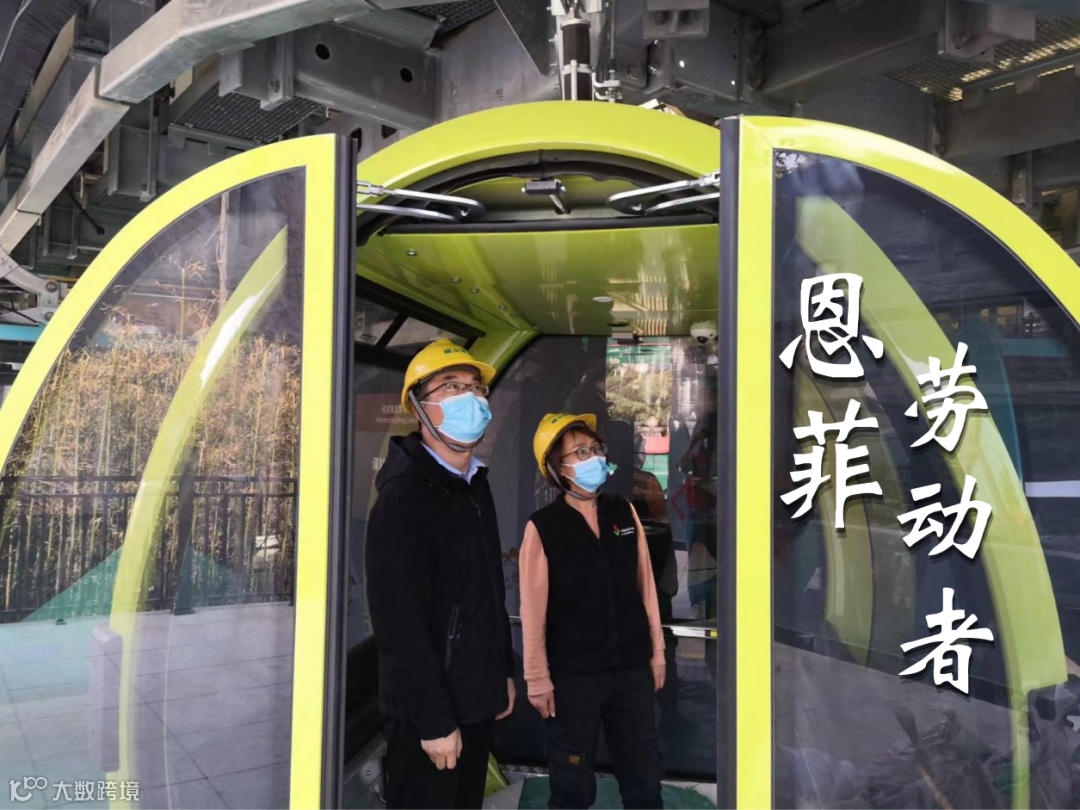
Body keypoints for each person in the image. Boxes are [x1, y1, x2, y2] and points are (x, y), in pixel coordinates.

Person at [365, 339, 515, 809]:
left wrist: (501, 673)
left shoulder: (474, 484)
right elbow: (398, 623)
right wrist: (433, 721)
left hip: (475, 697)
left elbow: (488, 591)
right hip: (429, 715)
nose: (470, 397)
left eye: (476, 388)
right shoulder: (404, 497)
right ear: (418, 407)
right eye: (451, 386)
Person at [519, 413, 666, 809]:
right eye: (580, 452)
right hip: (573, 677)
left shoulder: (623, 512)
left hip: (632, 669)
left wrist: (657, 654)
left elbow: (645, 589)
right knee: (572, 781)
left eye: (596, 449)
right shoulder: (543, 527)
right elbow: (533, 612)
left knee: (644, 775)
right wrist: (537, 679)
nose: (594, 458)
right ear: (557, 467)